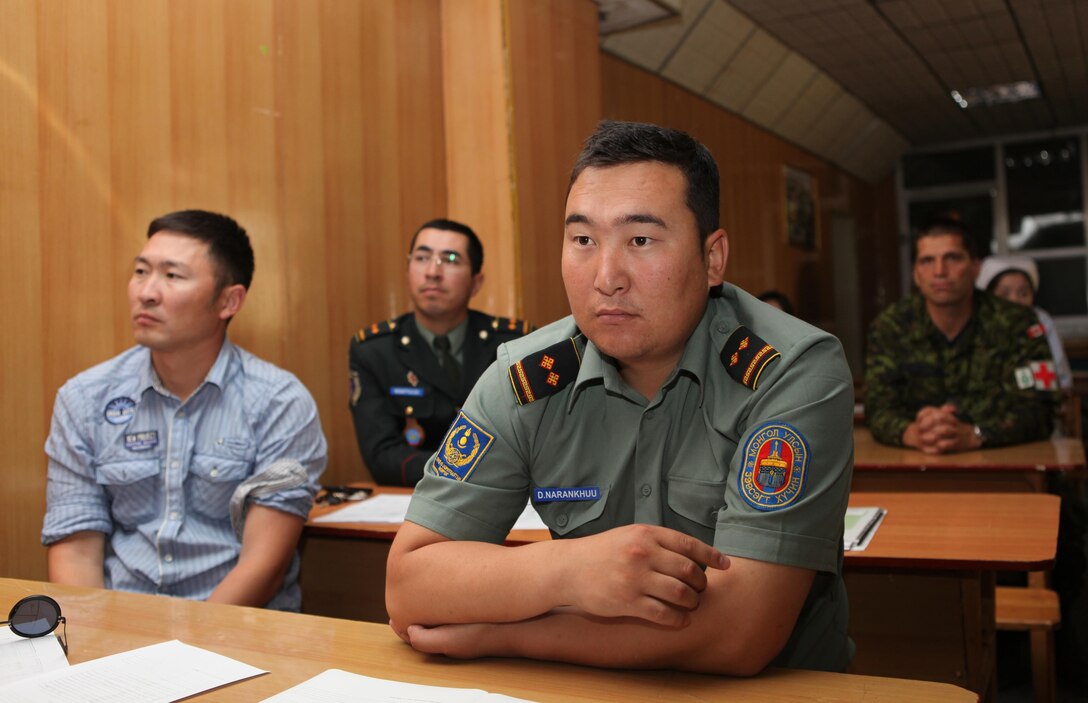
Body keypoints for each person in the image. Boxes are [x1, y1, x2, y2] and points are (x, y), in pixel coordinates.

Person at [386, 121, 855, 675]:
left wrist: (499, 633)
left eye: (641, 240)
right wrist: (568, 570)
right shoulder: (527, 376)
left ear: (712, 258)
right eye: (583, 240)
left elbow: (741, 632)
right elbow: (408, 586)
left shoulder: (791, 370)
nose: (606, 277)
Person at [42, 210, 327, 610]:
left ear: (229, 300)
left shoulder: (280, 402)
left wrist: (186, 651)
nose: (147, 292)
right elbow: (75, 551)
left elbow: (263, 567)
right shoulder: (85, 398)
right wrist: (97, 644)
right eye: (141, 272)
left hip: (238, 634)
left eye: (172, 276)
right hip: (119, 630)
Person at [349, 219, 531, 486]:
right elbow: (382, 456)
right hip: (413, 498)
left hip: (504, 498)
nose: (433, 271)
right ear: (408, 269)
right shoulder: (375, 350)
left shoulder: (515, 344)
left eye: (451, 259)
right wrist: (460, 472)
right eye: (422, 257)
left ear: (476, 282)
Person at [865, 218, 1060, 453]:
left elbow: (1042, 410)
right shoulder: (891, 326)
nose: (939, 272)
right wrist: (912, 433)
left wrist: (976, 434)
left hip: (1002, 463)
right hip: (916, 463)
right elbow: (878, 409)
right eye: (927, 261)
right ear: (916, 274)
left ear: (975, 268)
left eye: (952, 258)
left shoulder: (1018, 323)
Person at [977, 255, 1073, 391]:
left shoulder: (1040, 320)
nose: (1015, 300)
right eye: (1004, 294)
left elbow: (1059, 374)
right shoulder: (978, 322)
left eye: (1023, 294)